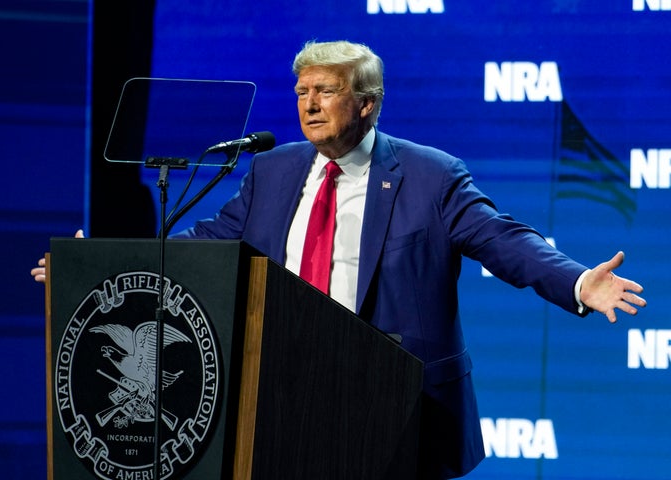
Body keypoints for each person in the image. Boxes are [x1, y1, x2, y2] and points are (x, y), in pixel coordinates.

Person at [32, 40, 646, 478]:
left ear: (368, 104)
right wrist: (103, 268)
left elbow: (503, 239)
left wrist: (576, 282)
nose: (309, 104)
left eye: (326, 91)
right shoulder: (273, 171)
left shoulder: (429, 176)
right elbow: (209, 244)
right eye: (302, 91)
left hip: (396, 403)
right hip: (283, 392)